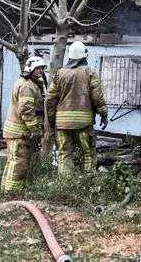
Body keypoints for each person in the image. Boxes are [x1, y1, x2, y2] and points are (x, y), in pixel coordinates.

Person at [46, 41, 108, 175]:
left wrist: (52, 122)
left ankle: (66, 187)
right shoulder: (89, 72)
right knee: (88, 153)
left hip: (62, 124)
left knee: (64, 155)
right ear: (84, 56)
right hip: (83, 124)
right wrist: (104, 114)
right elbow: (97, 97)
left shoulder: (59, 74)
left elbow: (50, 100)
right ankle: (88, 182)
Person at [0, 55, 46, 195]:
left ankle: (5, 190)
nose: (41, 71)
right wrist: (34, 129)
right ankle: (12, 193)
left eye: (42, 68)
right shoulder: (26, 85)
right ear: (30, 68)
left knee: (13, 161)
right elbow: (26, 110)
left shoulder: (28, 83)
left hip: (17, 131)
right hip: (19, 132)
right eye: (38, 68)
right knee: (19, 161)